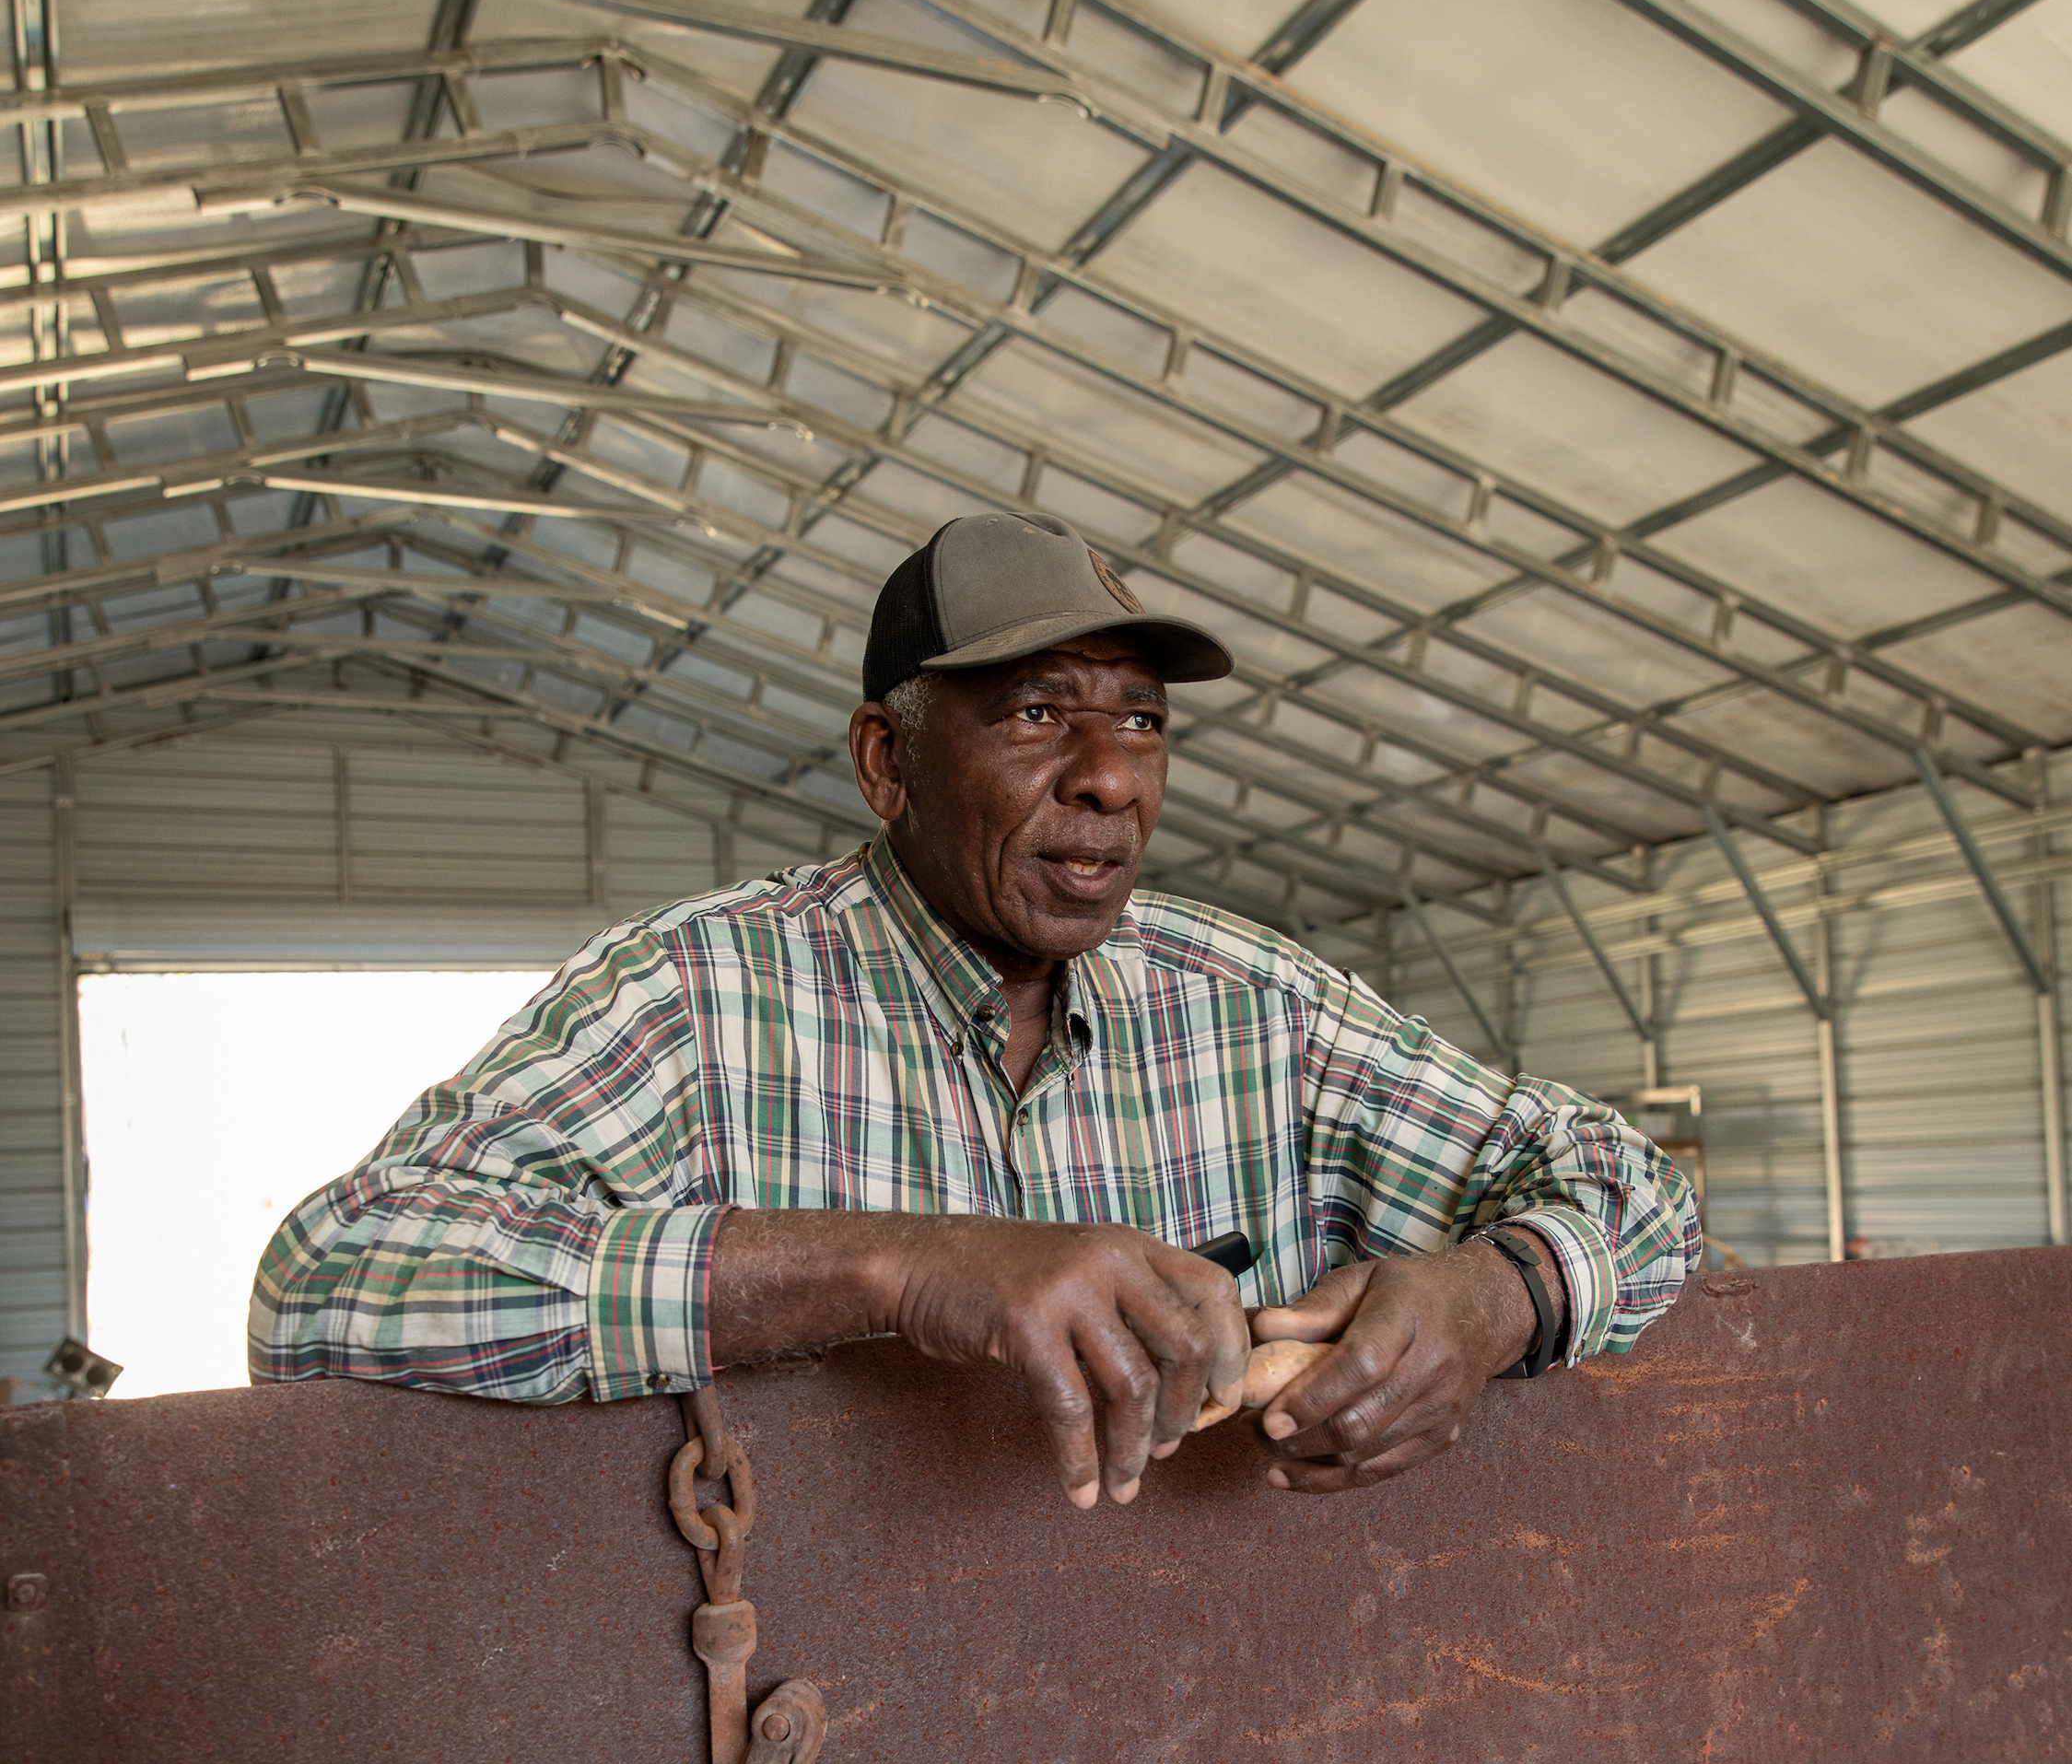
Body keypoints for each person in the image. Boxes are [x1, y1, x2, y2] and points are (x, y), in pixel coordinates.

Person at [252, 509, 1699, 1504]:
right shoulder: (700, 999)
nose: (1110, 776)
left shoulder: (1253, 1007)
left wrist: (1496, 1295)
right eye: (1032, 712)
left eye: (1140, 719)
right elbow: (327, 1286)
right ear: (887, 763)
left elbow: (1630, 1188)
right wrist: (900, 1268)